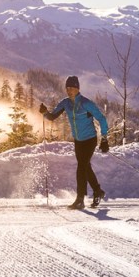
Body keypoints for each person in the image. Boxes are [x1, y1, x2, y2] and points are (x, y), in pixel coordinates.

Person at [39, 76, 110, 209]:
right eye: (67, 88)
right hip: (78, 141)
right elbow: (53, 116)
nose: (69, 90)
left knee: (81, 167)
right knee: (85, 167)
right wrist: (45, 112)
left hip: (90, 139)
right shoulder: (65, 103)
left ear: (78, 88)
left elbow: (101, 118)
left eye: (72, 88)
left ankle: (80, 199)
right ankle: (98, 191)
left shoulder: (86, 103)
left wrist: (104, 138)